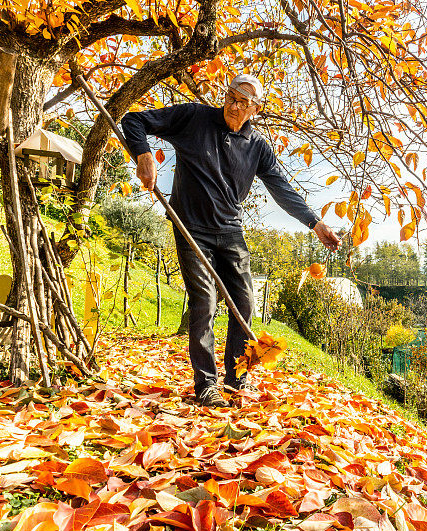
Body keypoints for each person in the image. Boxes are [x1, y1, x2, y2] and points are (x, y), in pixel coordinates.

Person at [122, 74, 340, 407]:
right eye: (230, 97)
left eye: (242, 102)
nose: (233, 105)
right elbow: (133, 120)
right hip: (191, 227)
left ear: (257, 108)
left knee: (245, 303)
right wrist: (144, 156)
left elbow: (281, 188)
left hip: (230, 231)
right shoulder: (194, 118)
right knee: (205, 303)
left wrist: (315, 223)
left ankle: (238, 379)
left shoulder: (257, 148)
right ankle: (206, 385)